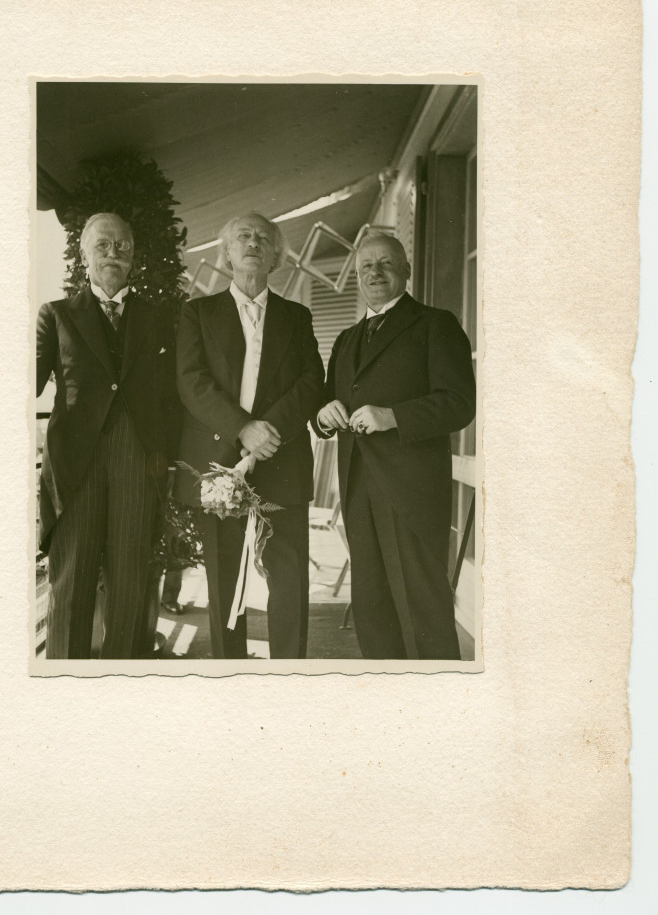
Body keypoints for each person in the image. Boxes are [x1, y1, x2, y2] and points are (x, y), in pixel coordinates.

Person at [316, 232, 475, 660]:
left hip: (411, 492)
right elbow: (329, 401)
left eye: (385, 263)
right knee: (372, 606)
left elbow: (460, 404)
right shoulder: (347, 339)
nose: (375, 272)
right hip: (358, 489)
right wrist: (322, 415)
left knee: (422, 610)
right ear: (356, 276)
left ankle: (441, 707)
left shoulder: (434, 324)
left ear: (406, 270)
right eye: (366, 266)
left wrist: (393, 416)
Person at [175, 212, 325, 659]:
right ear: (227, 253)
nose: (253, 243)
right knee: (222, 583)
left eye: (263, 238)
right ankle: (229, 677)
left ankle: (290, 678)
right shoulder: (197, 313)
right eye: (243, 236)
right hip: (219, 469)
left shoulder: (297, 318)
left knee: (289, 579)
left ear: (276, 256)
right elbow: (190, 381)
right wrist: (243, 428)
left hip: (282, 463)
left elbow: (310, 381)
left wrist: (266, 431)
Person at [37, 212, 179, 658]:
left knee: (130, 588)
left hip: (138, 465)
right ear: (83, 256)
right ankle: (63, 695)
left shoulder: (160, 319)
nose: (113, 254)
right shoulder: (56, 315)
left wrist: (166, 461)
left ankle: (121, 697)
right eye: (103, 245)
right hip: (74, 468)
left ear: (133, 257)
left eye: (122, 246)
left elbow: (173, 398)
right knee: (72, 587)